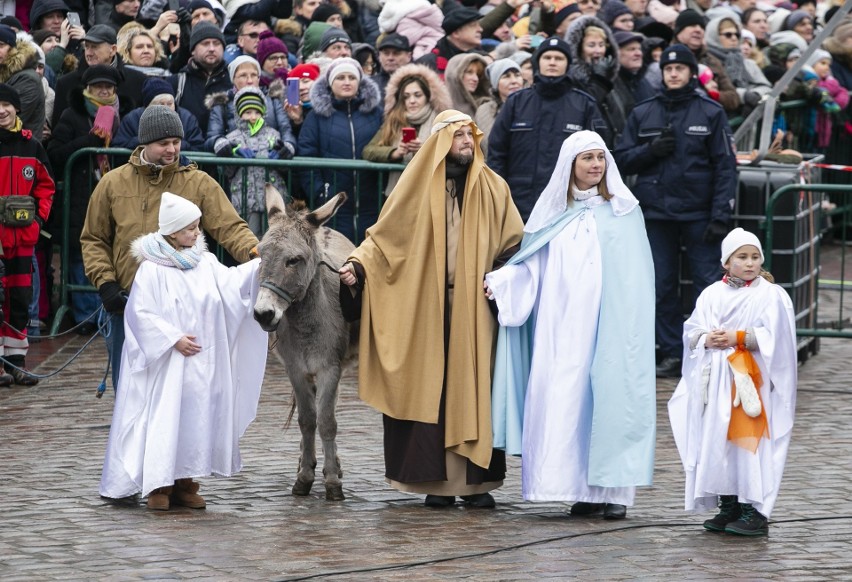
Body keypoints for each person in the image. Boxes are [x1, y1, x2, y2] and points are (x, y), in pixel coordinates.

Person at [339, 110, 524, 509]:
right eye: (458, 135)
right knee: (428, 390)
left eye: (469, 135)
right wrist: (356, 266)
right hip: (425, 307)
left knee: (476, 389)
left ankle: (477, 485)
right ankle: (434, 483)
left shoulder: (495, 188)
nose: (465, 142)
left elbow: (514, 245)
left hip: (477, 311)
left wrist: (507, 276)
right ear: (440, 142)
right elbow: (382, 242)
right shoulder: (415, 191)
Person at [485, 130, 655, 520]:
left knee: (611, 400)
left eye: (601, 158)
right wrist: (503, 281)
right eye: (587, 159)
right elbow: (533, 266)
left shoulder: (625, 214)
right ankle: (575, 488)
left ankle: (612, 493)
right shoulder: (551, 217)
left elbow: (638, 277)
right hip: (562, 330)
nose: (596, 165)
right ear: (570, 166)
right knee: (568, 400)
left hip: (611, 327)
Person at [99, 193, 267, 510]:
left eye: (197, 226)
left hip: (202, 365)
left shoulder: (205, 263)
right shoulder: (152, 269)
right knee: (166, 419)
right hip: (168, 364)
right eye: (190, 228)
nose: (196, 233)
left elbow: (230, 285)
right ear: (173, 232)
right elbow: (141, 313)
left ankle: (186, 481)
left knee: (196, 420)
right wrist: (172, 338)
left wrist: (259, 265)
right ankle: (159, 485)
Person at [80, 105, 258, 390]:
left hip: (182, 308)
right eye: (163, 143)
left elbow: (230, 227)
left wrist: (256, 254)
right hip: (127, 302)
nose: (172, 150)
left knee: (179, 391)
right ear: (144, 143)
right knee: (130, 387)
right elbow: (94, 238)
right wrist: (106, 283)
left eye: (176, 142)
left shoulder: (198, 182)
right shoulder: (113, 183)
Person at [614, 44, 736, 379]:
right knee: (661, 286)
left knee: (707, 286)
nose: (673, 73)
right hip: (656, 214)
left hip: (699, 213)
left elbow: (725, 167)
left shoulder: (710, 112)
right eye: (668, 69)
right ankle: (671, 353)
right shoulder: (643, 111)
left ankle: (707, 350)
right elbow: (621, 159)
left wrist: (720, 215)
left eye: (680, 68)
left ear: (691, 73)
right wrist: (650, 151)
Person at [668, 228, 797, 536]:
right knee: (719, 441)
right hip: (717, 383)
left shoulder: (769, 294)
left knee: (747, 441)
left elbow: (778, 337)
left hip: (748, 381)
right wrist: (705, 338)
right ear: (727, 262)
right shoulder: (711, 293)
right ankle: (730, 504)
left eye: (754, 257)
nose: (750, 263)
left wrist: (740, 337)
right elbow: (692, 329)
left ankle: (754, 508)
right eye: (742, 257)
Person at [48, 65, 128, 336]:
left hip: (114, 194)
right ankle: (86, 317)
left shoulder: (122, 115)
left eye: (108, 86)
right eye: (97, 86)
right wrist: (88, 140)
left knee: (113, 254)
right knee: (81, 257)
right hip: (80, 196)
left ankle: (108, 312)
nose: (103, 90)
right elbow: (56, 154)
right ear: (87, 88)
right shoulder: (72, 114)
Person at [487, 37, 605, 222]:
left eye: (559, 58)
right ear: (537, 62)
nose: (552, 62)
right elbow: (497, 153)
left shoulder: (584, 105)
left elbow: (598, 156)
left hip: (568, 205)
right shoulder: (516, 102)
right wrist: (499, 195)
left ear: (567, 64)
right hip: (518, 203)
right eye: (547, 57)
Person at [0, 84, 54, 386]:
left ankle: (16, 361)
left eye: (6, 104)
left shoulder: (31, 146)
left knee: (19, 299)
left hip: (22, 239)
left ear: (17, 108)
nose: (1, 110)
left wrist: (37, 221)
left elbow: (46, 187)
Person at [297, 57, 382, 243]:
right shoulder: (317, 116)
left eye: (351, 77)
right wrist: (320, 192)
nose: (346, 82)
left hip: (371, 203)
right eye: (340, 77)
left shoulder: (376, 114)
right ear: (330, 83)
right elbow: (306, 156)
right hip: (333, 206)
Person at [362, 63, 450, 196]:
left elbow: (452, 154)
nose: (412, 101)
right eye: (406, 96)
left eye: (417, 95)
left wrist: (426, 149)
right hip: (400, 193)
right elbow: (369, 151)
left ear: (427, 97)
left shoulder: (440, 121)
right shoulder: (394, 121)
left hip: (432, 193)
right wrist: (395, 153)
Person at [216, 86, 286, 236]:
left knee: (273, 238)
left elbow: (285, 169)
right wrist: (233, 155)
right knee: (250, 238)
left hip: (272, 198)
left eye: (257, 112)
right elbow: (225, 171)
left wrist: (281, 155)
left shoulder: (273, 135)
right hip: (244, 199)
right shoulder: (233, 138)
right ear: (239, 114)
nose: (253, 117)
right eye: (248, 112)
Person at [0, 24, 46, 141]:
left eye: (1, 45)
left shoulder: (28, 79)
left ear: (13, 49)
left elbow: (8, 121)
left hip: (20, 152)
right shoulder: (5, 74)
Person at [474, 58, 523, 156]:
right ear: (496, 83)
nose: (514, 81)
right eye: (506, 76)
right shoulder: (483, 111)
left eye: (517, 75)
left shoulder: (532, 105)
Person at [444, 52, 490, 118]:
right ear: (455, 74)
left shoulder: (487, 106)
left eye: (478, 74)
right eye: (469, 72)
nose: (476, 79)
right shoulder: (439, 109)